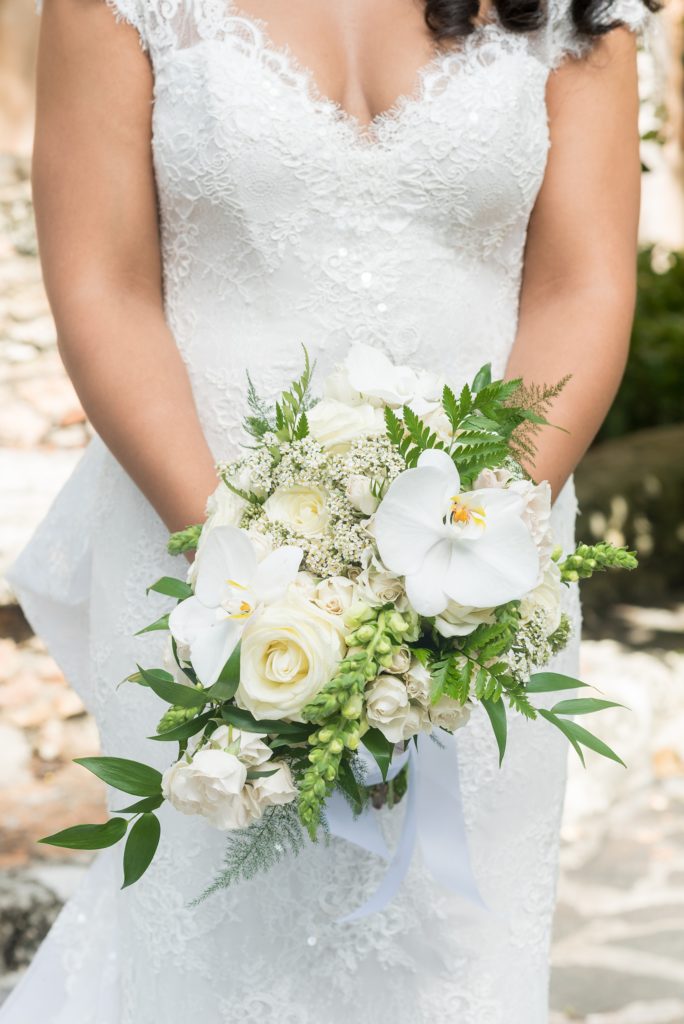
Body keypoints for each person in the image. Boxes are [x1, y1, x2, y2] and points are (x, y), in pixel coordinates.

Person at [3, 0, 656, 1021]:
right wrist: (240, 560)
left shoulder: (575, 9)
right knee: (212, 930)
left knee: (454, 954)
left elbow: (583, 284)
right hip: (196, 556)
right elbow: (103, 285)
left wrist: (466, 563)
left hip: (486, 568)